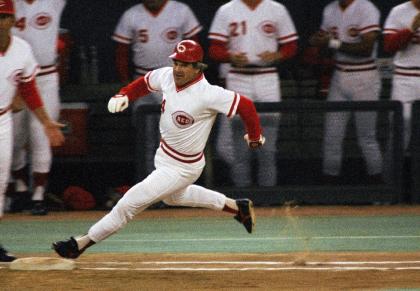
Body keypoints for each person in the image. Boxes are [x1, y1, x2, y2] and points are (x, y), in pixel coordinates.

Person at [52, 40, 265, 259]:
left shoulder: (208, 93)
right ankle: (237, 207)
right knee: (173, 198)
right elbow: (145, 82)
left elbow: (246, 105)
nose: (178, 68)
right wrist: (124, 94)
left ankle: (81, 243)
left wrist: (255, 136)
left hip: (183, 167)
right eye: (177, 62)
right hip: (165, 156)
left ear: (197, 67)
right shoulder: (167, 76)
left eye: (185, 64)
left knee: (129, 203)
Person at [0, 0, 65, 261]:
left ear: (13, 21)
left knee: (0, 183)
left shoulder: (22, 49)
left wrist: (47, 122)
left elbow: (28, 89)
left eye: (4, 16)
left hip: (2, 121)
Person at [208, 0, 298, 187]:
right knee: (239, 147)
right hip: (238, 77)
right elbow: (214, 49)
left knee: (268, 147)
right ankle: (244, 194)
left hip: (267, 77)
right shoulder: (227, 9)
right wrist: (229, 56)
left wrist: (277, 55)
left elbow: (291, 46)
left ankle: (268, 196)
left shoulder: (276, 8)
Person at [113, 0, 202, 180]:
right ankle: (150, 184)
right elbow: (121, 54)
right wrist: (127, 86)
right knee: (146, 139)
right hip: (143, 78)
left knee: (176, 138)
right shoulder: (131, 14)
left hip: (175, 79)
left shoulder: (181, 10)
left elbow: (195, 48)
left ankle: (177, 183)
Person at [309, 0, 383, 183]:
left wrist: (331, 43)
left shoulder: (366, 7)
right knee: (332, 135)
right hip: (339, 74)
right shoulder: (329, 9)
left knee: (367, 137)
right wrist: (317, 43)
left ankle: (378, 189)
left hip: (364, 75)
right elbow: (325, 45)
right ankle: (330, 186)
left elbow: (366, 49)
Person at [9, 0, 67, 215]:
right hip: (13, 77)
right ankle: (21, 188)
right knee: (14, 136)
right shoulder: (9, 4)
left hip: (45, 76)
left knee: (41, 133)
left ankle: (38, 195)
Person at [383, 0, 420, 150]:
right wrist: (411, 29)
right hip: (406, 78)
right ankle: (393, 173)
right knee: (400, 131)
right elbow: (389, 46)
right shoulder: (399, 11)